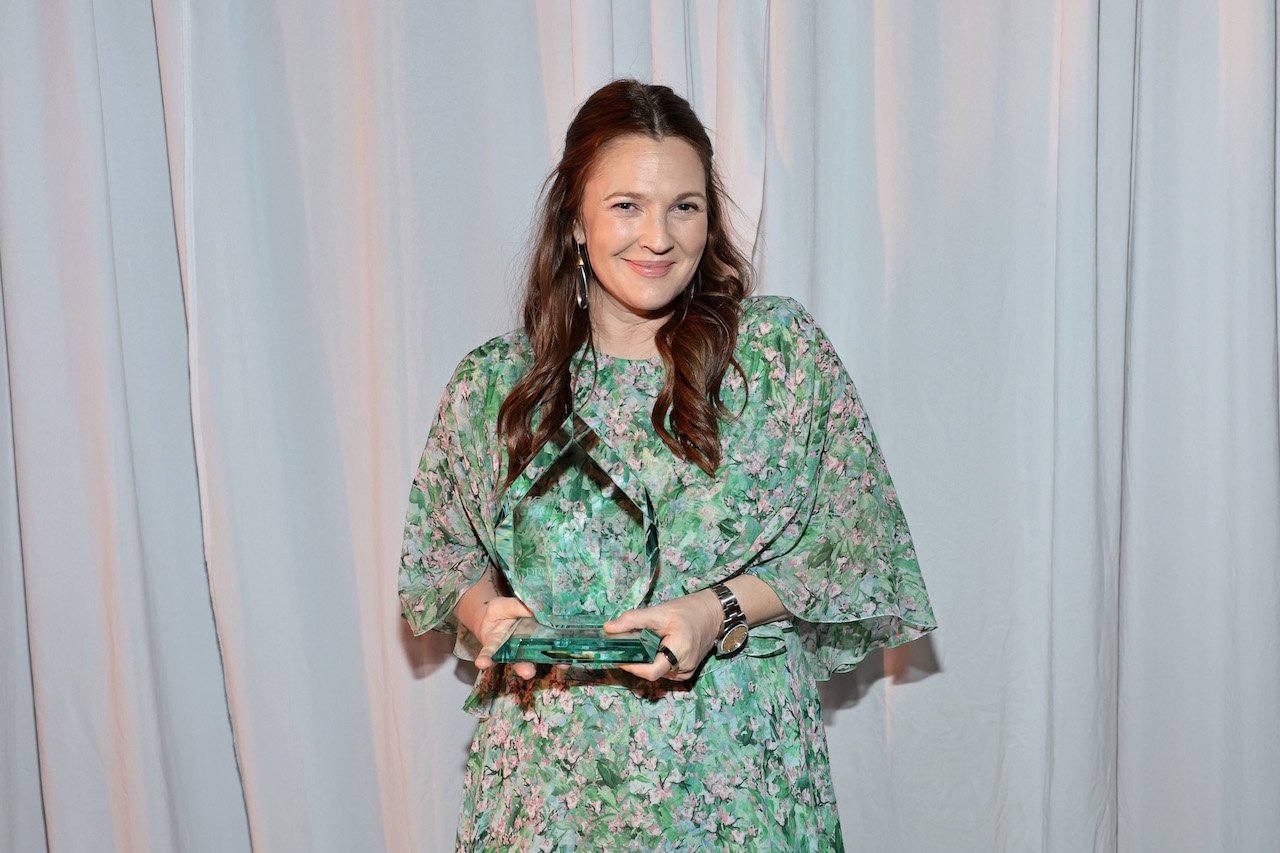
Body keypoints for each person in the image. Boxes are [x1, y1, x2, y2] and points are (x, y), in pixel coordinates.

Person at [399, 79, 936, 851]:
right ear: (576, 221)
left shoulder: (778, 359)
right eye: (626, 205)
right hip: (552, 785)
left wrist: (716, 609)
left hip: (740, 779)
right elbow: (439, 555)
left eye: (684, 205)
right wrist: (489, 615)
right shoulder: (494, 385)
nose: (658, 236)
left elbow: (859, 542)